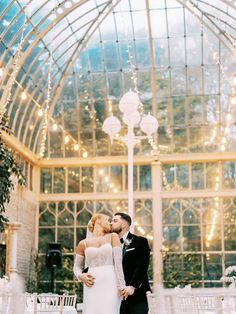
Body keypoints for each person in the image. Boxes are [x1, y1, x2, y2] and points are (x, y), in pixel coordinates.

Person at [73, 213, 127, 314]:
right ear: (97, 220)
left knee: (110, 310)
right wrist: (80, 276)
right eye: (107, 219)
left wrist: (121, 286)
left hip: (111, 282)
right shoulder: (83, 243)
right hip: (92, 283)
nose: (110, 222)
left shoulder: (113, 237)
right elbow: (76, 267)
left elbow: (118, 264)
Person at [111, 212, 151, 314]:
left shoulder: (140, 241)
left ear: (124, 225)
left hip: (137, 296)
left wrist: (132, 286)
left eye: (115, 221)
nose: (111, 223)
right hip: (115, 295)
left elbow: (142, 266)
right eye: (111, 221)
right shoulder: (108, 244)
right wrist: (83, 273)